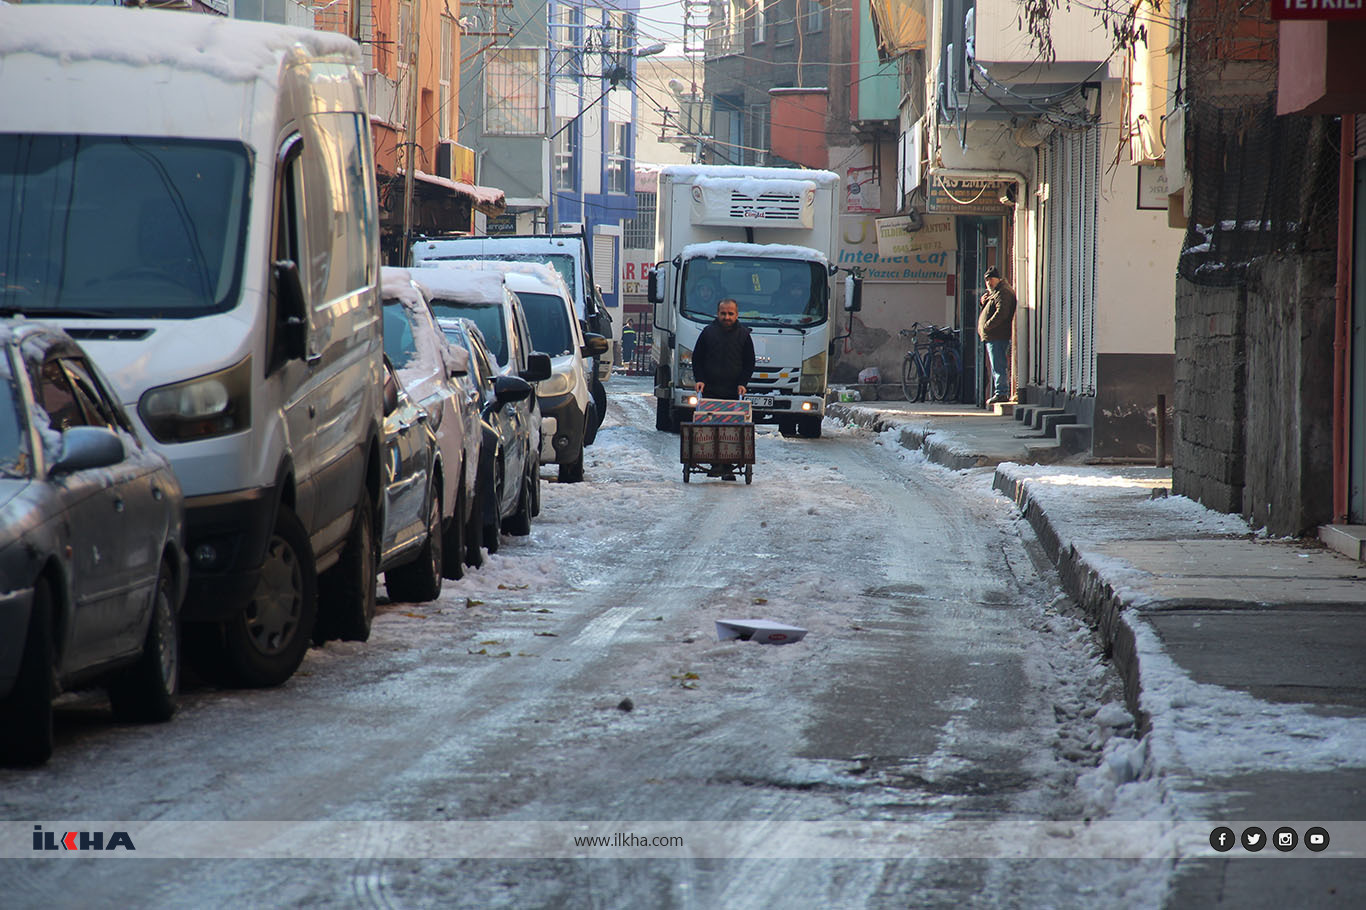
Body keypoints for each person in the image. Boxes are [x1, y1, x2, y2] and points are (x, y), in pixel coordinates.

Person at [692, 298, 755, 402]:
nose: (727, 317)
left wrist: (742, 383)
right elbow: (697, 359)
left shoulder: (744, 335)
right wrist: (700, 380)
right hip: (709, 392)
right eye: (723, 313)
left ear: (737, 315)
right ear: (717, 314)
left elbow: (749, 363)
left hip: (734, 393)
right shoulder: (707, 333)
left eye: (730, 313)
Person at [977, 266, 1016, 405]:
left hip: (998, 335)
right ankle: (1000, 392)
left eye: (991, 279)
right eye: (986, 280)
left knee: (998, 365)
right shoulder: (995, 292)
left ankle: (1001, 393)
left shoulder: (1003, 292)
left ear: (998, 278)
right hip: (993, 335)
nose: (988, 283)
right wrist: (984, 303)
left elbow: (1002, 313)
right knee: (995, 365)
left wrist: (987, 326)